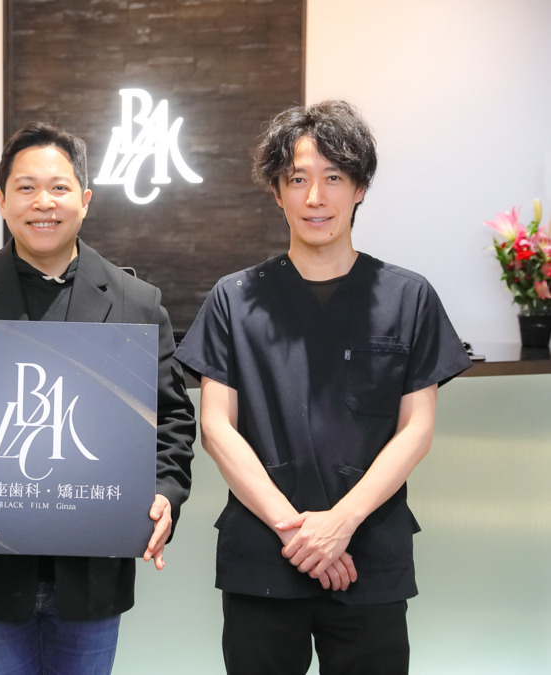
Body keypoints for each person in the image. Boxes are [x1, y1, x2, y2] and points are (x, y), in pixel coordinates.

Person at [175, 100, 472, 674]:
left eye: (334, 178)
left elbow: (417, 429)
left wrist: (341, 523)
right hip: (264, 555)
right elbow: (215, 428)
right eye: (298, 179)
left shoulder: (408, 297)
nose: (316, 197)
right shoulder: (234, 299)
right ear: (277, 192)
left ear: (360, 188)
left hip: (369, 551)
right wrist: (300, 533)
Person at [0, 121, 195, 674]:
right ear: (1, 200)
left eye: (58, 187)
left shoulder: (137, 304)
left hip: (93, 573)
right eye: (26, 188)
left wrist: (165, 496)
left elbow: (172, 419)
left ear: (86, 199)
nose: (42, 203)